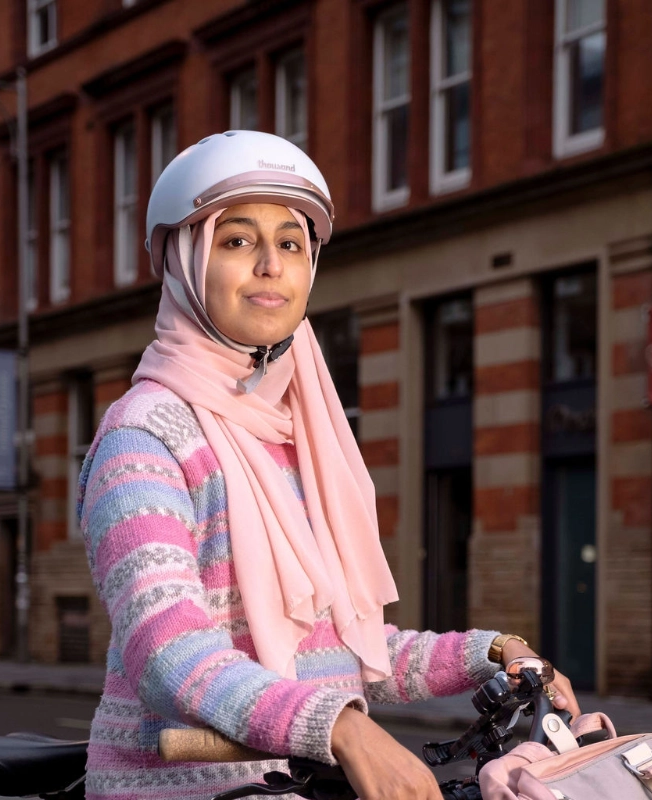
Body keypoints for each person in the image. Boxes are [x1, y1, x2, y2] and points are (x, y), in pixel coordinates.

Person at [78, 130, 579, 800]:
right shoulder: (142, 436)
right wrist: (344, 729)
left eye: (290, 243)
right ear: (183, 259)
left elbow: (348, 650)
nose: (270, 266)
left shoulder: (299, 438)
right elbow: (168, 655)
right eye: (236, 241)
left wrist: (495, 650)